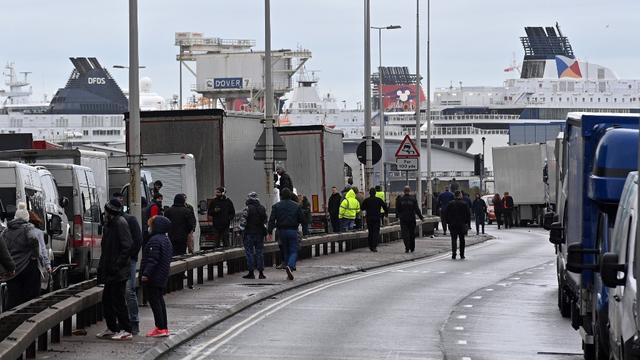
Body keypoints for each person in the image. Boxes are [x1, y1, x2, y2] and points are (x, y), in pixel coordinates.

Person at [96, 199, 133, 341]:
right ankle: (112, 327)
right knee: (107, 300)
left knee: (118, 301)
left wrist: (117, 265)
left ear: (110, 212)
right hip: (111, 270)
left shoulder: (120, 223)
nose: (104, 213)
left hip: (118, 271)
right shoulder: (110, 224)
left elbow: (127, 246)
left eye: (106, 210)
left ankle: (126, 329)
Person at [112, 194, 143, 336]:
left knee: (128, 290)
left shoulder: (130, 220)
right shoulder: (113, 221)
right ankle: (123, 322)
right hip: (118, 261)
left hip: (128, 260)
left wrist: (130, 256)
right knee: (118, 292)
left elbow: (138, 240)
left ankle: (134, 321)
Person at [3, 203, 41, 308]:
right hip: (26, 267)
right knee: (29, 298)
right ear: (26, 218)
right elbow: (34, 240)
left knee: (13, 297)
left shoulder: (6, 231)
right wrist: (35, 255)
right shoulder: (27, 228)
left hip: (11, 269)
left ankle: (11, 321)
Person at [141, 215, 173, 337]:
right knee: (160, 301)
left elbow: (152, 260)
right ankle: (163, 327)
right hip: (162, 275)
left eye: (150, 225)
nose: (149, 227)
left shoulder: (155, 240)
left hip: (154, 276)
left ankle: (160, 328)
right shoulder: (165, 239)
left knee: (155, 303)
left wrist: (146, 274)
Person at [268, 188, 303, 281]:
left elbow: (271, 219)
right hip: (292, 230)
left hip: (281, 231)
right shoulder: (296, 206)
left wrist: (269, 231)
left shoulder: (276, 206)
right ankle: (290, 267)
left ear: (281, 196)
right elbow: (302, 219)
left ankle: (287, 266)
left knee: (285, 250)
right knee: (293, 250)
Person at [239, 192, 268, 279]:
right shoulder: (262, 208)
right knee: (259, 252)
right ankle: (261, 273)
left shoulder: (247, 209)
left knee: (249, 253)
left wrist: (240, 230)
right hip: (259, 234)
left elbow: (243, 222)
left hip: (249, 234)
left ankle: (251, 272)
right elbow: (265, 221)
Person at [396, 186, 424, 253]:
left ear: (404, 191)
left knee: (405, 234)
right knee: (412, 233)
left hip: (403, 219)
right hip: (411, 219)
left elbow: (398, 209)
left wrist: (398, 216)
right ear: (410, 191)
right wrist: (421, 217)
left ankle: (407, 247)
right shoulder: (413, 199)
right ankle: (412, 247)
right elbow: (417, 209)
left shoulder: (400, 199)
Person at [444, 191, 471, 260]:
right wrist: (467, 223)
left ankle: (454, 254)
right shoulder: (464, 204)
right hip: (462, 224)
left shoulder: (450, 204)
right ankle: (462, 254)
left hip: (452, 224)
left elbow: (446, 213)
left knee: (453, 239)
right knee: (462, 239)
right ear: (460, 195)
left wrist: (448, 222)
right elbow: (468, 215)